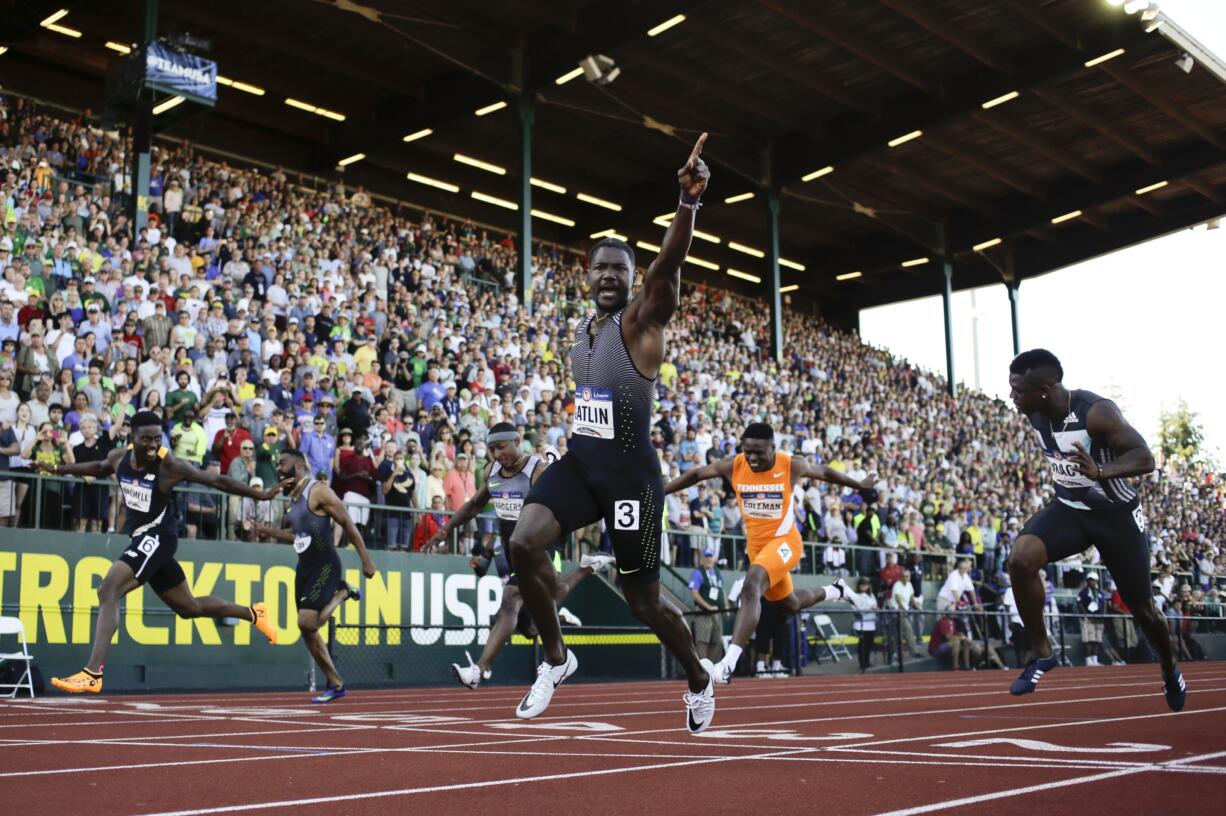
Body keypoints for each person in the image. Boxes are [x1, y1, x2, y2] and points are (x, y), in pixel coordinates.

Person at [508, 134, 719, 732]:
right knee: (523, 543)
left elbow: (668, 265)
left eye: (618, 270)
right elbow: (590, 403)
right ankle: (556, 658)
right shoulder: (582, 333)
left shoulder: (641, 321)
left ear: (633, 278)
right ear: (588, 274)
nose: (607, 276)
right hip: (582, 464)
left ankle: (698, 678)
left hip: (631, 478)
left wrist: (687, 203)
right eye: (599, 267)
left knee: (643, 602)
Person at [35, 411, 290, 693]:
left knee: (108, 589)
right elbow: (97, 466)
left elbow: (216, 481)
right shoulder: (120, 457)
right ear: (132, 437)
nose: (153, 444)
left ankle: (93, 673)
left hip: (159, 536)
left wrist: (261, 494)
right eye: (146, 438)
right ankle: (254, 613)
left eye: (158, 437)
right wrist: (56, 469)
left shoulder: (168, 465)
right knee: (188, 607)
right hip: (143, 539)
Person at [1005, 349, 1184, 710]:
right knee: (1020, 560)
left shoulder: (1096, 412)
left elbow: (1145, 459)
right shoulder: (1035, 411)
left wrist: (1101, 472)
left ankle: (1169, 668)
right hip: (1071, 510)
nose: (1012, 397)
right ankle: (1042, 653)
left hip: (1116, 516)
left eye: (1018, 390)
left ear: (1045, 388)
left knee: (1144, 609)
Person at [663, 422, 871, 684]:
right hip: (758, 550)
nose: (752, 458)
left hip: (786, 543)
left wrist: (860, 485)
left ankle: (727, 665)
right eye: (747, 451)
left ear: (773, 449)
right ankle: (836, 590)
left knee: (751, 586)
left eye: (759, 453)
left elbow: (826, 473)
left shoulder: (790, 464)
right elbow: (696, 475)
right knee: (790, 604)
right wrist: (663, 490)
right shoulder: (734, 465)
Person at [426, 423, 615, 689]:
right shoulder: (491, 471)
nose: (496, 454)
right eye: (491, 449)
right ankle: (587, 569)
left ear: (518, 441)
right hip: (512, 545)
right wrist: (446, 529)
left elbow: (555, 506)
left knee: (510, 599)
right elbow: (474, 506)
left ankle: (479, 670)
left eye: (501, 447)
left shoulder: (537, 469)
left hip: (537, 544)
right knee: (532, 625)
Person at [253, 449, 377, 703]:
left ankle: (342, 592)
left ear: (297, 465)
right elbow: (297, 535)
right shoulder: (294, 497)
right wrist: (269, 531)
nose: (278, 468)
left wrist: (366, 559)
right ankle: (336, 683)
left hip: (325, 565)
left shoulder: (318, 490)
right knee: (307, 630)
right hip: (304, 568)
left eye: (282, 463)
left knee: (307, 622)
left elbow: (347, 522)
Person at [688, 548, 725, 663]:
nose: (709, 559)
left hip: (717, 612)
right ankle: (702, 668)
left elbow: (721, 591)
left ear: (714, 558)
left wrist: (725, 607)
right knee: (703, 641)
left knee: (716, 641)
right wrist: (707, 606)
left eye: (710, 556)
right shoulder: (698, 572)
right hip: (703, 613)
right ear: (702, 558)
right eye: (706, 557)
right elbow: (694, 593)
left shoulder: (718, 572)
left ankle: (711, 667)